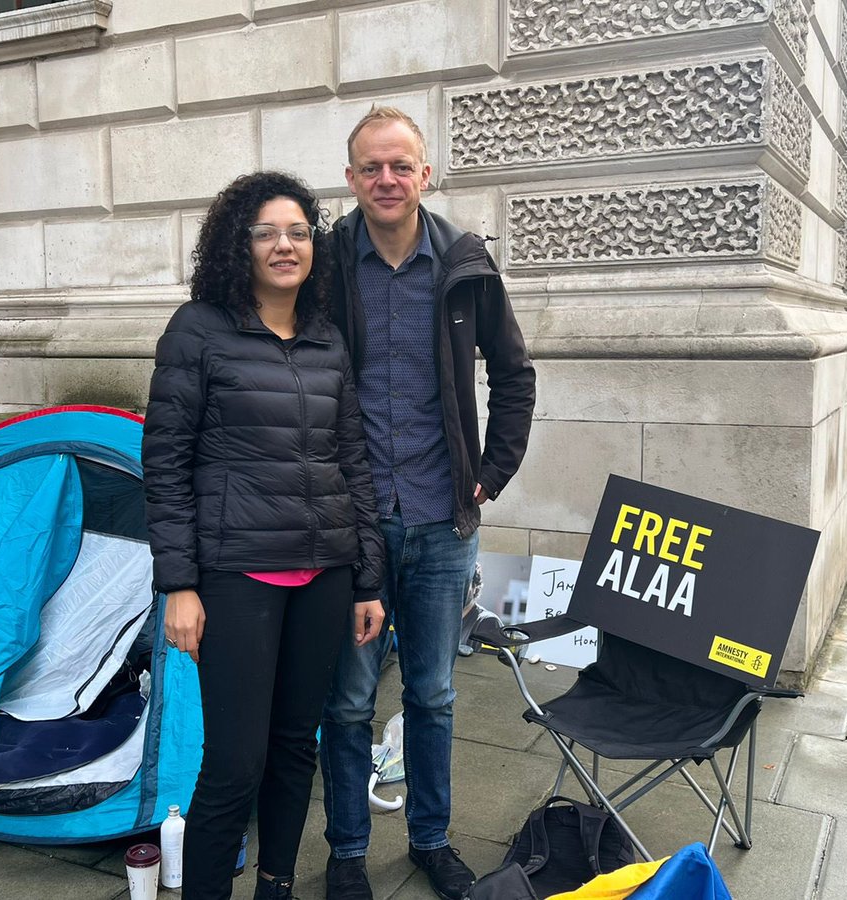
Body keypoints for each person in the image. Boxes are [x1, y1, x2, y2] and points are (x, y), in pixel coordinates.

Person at [143, 171, 387, 900]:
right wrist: (178, 584)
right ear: (237, 244)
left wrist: (368, 577)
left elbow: (353, 462)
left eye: (299, 232)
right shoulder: (198, 330)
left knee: (293, 751)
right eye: (267, 232)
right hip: (237, 575)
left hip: (324, 574)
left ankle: (275, 885)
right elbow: (165, 462)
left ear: (315, 246)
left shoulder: (327, 340)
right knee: (233, 764)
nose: (286, 245)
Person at [320, 107, 537, 900]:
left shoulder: (466, 264)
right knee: (345, 699)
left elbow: (515, 377)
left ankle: (431, 839)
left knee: (435, 694)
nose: (386, 180)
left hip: (444, 521)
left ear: (426, 173)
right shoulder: (322, 264)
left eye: (400, 166)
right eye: (371, 168)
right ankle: (346, 850)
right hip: (351, 520)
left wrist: (493, 469)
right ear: (351, 179)